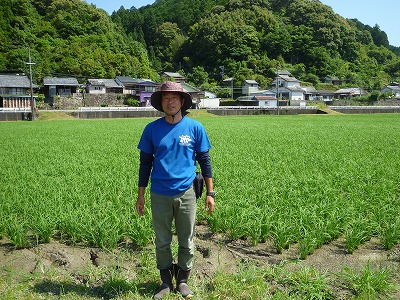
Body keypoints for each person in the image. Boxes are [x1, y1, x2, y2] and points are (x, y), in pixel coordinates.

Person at [136, 81, 215, 299]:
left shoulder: (195, 128)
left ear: (181, 102)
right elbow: (145, 164)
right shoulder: (151, 129)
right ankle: (164, 282)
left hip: (187, 193)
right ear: (161, 103)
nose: (170, 102)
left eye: (174, 98)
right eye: (165, 98)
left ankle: (182, 281)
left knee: (186, 240)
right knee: (162, 241)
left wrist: (210, 193)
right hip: (159, 194)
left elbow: (205, 161)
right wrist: (141, 194)